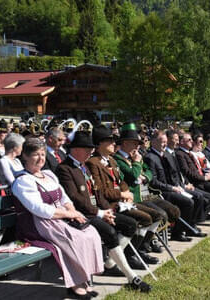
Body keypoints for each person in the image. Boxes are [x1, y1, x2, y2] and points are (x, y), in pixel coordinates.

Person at [56, 131, 151, 292]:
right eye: (87, 149)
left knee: (130, 224)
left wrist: (106, 209)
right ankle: (131, 276)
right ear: (76, 149)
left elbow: (97, 192)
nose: (90, 152)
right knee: (109, 232)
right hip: (80, 215)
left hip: (97, 211)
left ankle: (109, 263)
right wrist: (99, 213)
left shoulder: (83, 166)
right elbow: (75, 198)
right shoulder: (65, 169)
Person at [12, 138, 103, 299]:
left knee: (90, 233)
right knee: (73, 238)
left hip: (59, 217)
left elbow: (64, 198)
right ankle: (75, 285)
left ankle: (84, 279)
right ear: (25, 156)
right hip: (38, 223)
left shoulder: (48, 174)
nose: (40, 158)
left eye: (42, 154)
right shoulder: (22, 181)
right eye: (35, 155)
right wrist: (69, 215)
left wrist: (73, 212)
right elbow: (38, 209)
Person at [88, 125, 162, 268]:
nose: (114, 144)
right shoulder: (93, 162)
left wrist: (126, 191)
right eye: (109, 141)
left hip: (122, 201)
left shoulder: (111, 160)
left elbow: (120, 181)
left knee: (153, 215)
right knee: (138, 221)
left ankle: (135, 252)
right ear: (99, 144)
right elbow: (102, 191)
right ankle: (124, 257)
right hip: (110, 204)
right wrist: (122, 194)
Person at [114, 123, 180, 252]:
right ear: (125, 142)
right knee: (157, 215)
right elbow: (132, 175)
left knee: (172, 211)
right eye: (134, 143)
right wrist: (137, 163)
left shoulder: (136, 156)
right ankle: (141, 247)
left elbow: (148, 171)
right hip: (134, 198)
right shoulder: (118, 159)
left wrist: (145, 177)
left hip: (145, 194)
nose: (138, 146)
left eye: (138, 143)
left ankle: (147, 240)